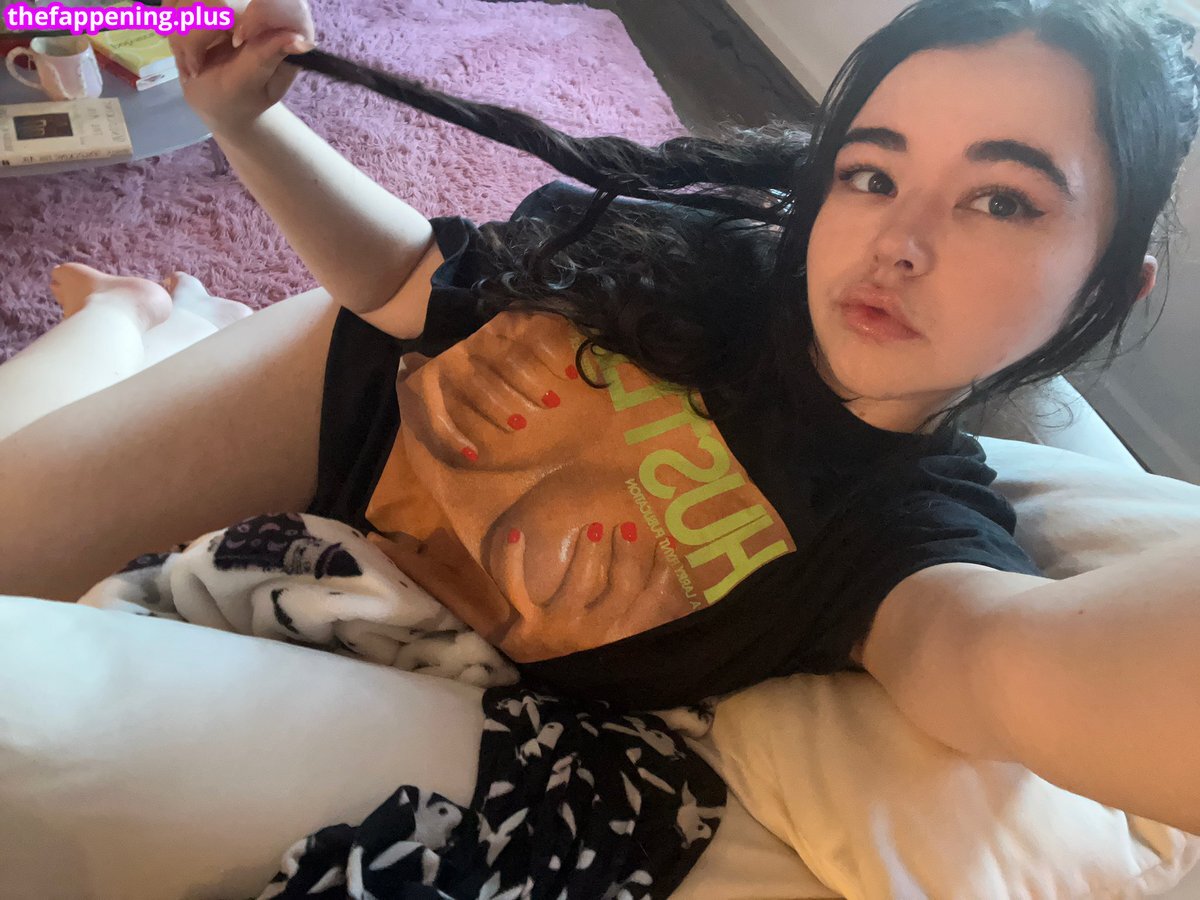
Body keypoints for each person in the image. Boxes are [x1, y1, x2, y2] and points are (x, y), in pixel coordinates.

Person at [2, 0, 1199, 837]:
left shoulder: (896, 540)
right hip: (346, 395)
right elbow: (412, 286)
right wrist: (245, 120)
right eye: (871, 173)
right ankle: (127, 313)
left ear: (1111, 286)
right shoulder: (703, 255)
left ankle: (159, 324)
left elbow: (1018, 672)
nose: (899, 242)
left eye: (1002, 200)